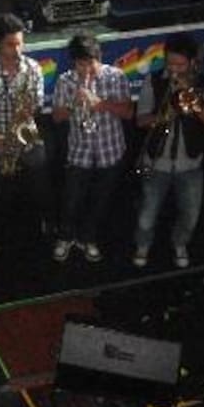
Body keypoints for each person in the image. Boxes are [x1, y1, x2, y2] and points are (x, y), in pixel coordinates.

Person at [0, 12, 55, 254]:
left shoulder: (32, 68)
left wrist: (25, 113)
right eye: (10, 44)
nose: (17, 50)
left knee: (42, 185)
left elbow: (35, 106)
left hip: (26, 136)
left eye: (20, 44)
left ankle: (48, 225)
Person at [133, 32, 204, 268]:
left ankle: (180, 244)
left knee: (190, 216)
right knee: (146, 216)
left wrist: (194, 99)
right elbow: (140, 120)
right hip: (156, 162)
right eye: (170, 63)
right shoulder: (153, 81)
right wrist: (162, 115)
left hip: (189, 164)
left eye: (180, 65)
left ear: (191, 62)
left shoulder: (203, 82)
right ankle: (143, 246)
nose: (174, 69)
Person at [51, 34, 132, 263]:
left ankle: (88, 238)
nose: (86, 69)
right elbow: (56, 117)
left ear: (100, 57)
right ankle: (65, 237)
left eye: (90, 63)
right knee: (71, 200)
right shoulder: (65, 81)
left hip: (110, 150)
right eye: (80, 64)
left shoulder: (116, 76)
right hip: (80, 152)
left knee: (100, 200)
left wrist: (101, 103)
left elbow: (128, 112)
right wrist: (73, 104)